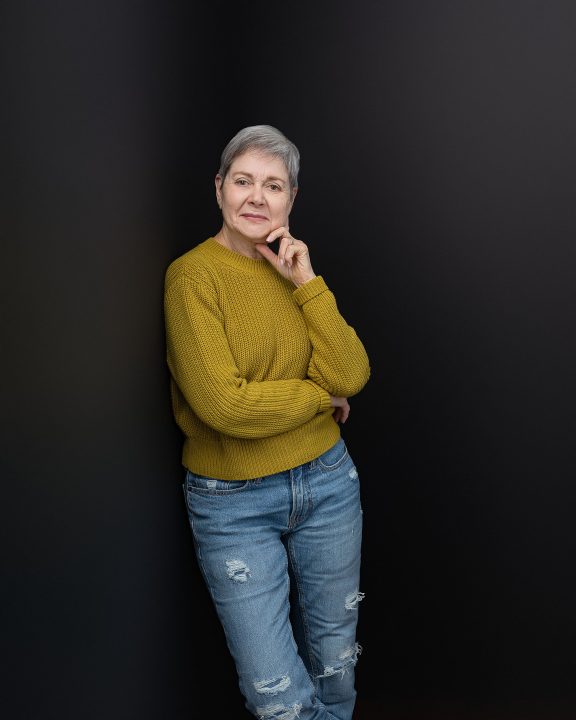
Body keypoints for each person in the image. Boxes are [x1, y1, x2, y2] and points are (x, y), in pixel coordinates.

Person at [164, 124, 370, 720]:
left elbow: (352, 373)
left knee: (336, 664)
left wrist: (305, 281)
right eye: (243, 181)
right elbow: (223, 407)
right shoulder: (192, 277)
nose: (257, 197)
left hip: (329, 483)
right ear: (220, 189)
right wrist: (315, 397)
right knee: (277, 696)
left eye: (273, 185)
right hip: (233, 504)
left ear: (292, 199)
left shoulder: (292, 271)